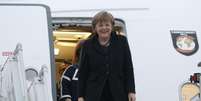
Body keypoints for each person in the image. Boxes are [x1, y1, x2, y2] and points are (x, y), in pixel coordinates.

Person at [78, 11, 136, 101]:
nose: (104, 28)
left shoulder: (122, 42)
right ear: (95, 28)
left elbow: (128, 68)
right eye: (100, 25)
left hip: (118, 93)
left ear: (112, 26)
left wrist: (131, 90)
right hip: (94, 94)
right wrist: (80, 96)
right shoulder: (87, 45)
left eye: (107, 25)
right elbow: (83, 72)